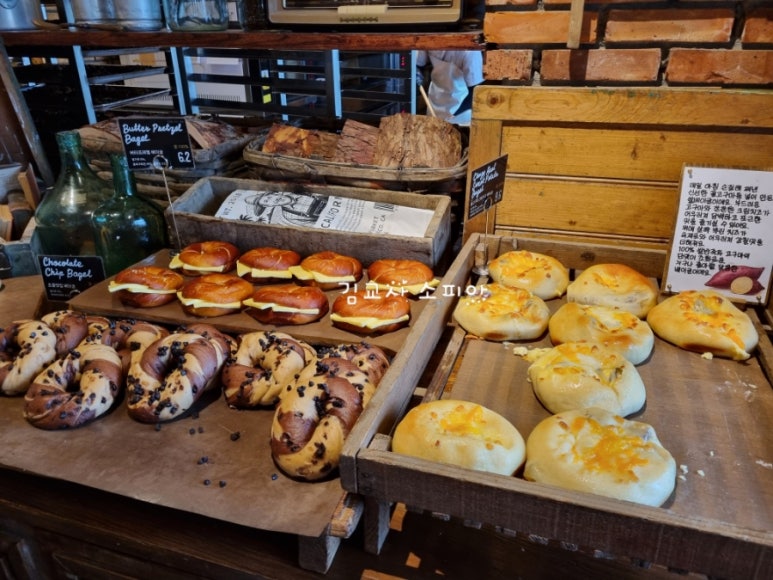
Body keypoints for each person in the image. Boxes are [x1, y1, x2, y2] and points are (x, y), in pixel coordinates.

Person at [416, 50, 484, 125]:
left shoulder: (471, 52)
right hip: (435, 103)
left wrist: (452, 115)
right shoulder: (430, 40)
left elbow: (476, 93)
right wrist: (416, 71)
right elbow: (420, 62)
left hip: (460, 113)